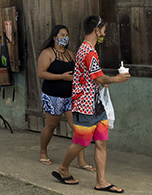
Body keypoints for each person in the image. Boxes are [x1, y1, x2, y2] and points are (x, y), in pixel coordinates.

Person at [51, 16, 130, 193]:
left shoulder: (88, 50)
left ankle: (101, 181)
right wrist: (116, 79)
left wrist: (103, 81)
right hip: (85, 105)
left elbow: (94, 76)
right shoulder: (88, 52)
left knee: (101, 142)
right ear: (97, 30)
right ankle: (63, 168)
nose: (104, 33)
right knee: (82, 142)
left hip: (96, 105)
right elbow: (99, 77)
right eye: (103, 30)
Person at [37, 25, 94, 171]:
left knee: (77, 128)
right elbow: (41, 73)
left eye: (66, 35)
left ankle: (81, 160)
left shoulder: (70, 53)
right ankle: (43, 151)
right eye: (62, 35)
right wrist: (61, 77)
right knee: (50, 126)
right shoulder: (47, 53)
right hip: (53, 96)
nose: (65, 38)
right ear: (55, 37)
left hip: (70, 97)